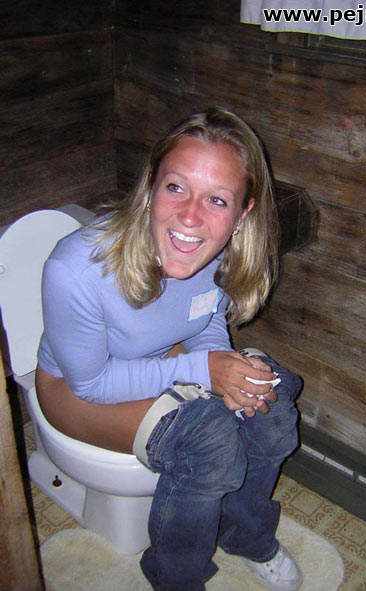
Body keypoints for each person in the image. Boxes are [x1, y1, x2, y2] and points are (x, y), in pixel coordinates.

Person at [36, 107, 304, 591]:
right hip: (73, 388)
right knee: (210, 442)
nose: (191, 216)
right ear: (151, 186)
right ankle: (176, 578)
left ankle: (246, 534)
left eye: (217, 199)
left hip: (161, 355)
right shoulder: (75, 268)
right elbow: (91, 383)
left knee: (272, 403)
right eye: (176, 187)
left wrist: (223, 367)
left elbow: (203, 319)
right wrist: (205, 371)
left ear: (242, 213)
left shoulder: (218, 249)